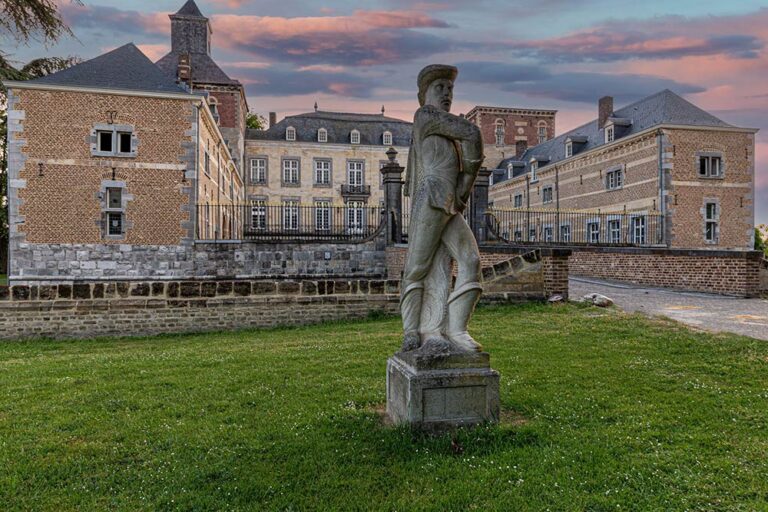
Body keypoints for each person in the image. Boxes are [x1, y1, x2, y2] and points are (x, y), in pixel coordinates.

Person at [401, 64, 484, 353]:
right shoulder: (426, 116)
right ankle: (415, 330)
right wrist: (465, 185)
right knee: (419, 266)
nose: (447, 93)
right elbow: (473, 134)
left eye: (450, 89)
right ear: (424, 94)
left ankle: (456, 331)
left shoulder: (445, 126)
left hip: (449, 202)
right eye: (440, 88)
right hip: (432, 197)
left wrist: (462, 189)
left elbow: (471, 141)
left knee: (470, 260)